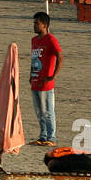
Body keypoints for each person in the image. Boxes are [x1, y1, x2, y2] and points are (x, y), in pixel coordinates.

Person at [29, 12, 62, 146]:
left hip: (46, 82)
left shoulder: (51, 40)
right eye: (34, 23)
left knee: (48, 110)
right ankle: (42, 136)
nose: (34, 26)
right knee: (39, 111)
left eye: (37, 23)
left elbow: (60, 56)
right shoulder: (34, 40)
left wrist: (53, 75)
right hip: (35, 80)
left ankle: (51, 137)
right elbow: (34, 59)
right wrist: (31, 75)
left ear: (45, 25)